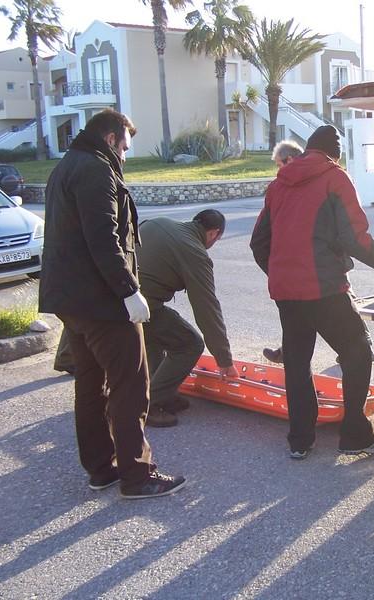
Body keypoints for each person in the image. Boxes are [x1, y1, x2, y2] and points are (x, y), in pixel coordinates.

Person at [39, 109, 185, 499]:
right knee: (130, 385)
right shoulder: (96, 171)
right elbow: (104, 239)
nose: (125, 155)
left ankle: (101, 468)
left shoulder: (66, 166)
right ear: (109, 139)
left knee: (91, 385)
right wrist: (128, 291)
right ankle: (137, 476)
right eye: (124, 147)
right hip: (102, 300)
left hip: (72, 300)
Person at [250, 125, 374, 460]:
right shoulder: (335, 177)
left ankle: (300, 440)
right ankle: (355, 435)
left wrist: (282, 273)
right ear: (336, 152)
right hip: (325, 287)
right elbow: (355, 239)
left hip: (286, 291)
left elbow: (259, 242)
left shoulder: (278, 183)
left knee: (297, 361)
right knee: (358, 352)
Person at [138, 210, 240, 427]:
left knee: (155, 339)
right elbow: (207, 309)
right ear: (213, 233)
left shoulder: (159, 221)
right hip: (140, 305)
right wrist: (224, 360)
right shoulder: (194, 253)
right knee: (189, 343)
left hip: (118, 297)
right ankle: (148, 405)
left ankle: (160, 393)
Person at [261, 140, 303, 365]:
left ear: (290, 160)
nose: (278, 171)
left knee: (312, 315)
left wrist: (273, 269)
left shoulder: (284, 186)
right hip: (302, 267)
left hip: (301, 267)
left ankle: (359, 348)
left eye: (279, 165)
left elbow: (260, 239)